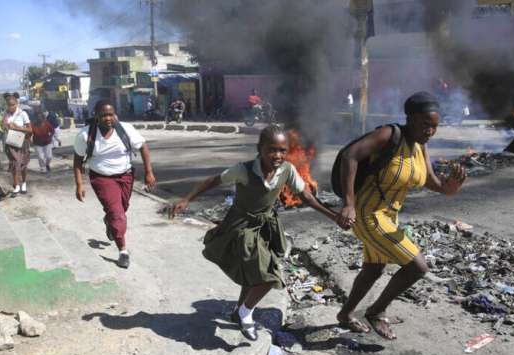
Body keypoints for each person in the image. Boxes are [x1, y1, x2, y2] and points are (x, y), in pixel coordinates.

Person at [169, 125, 345, 341]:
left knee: (254, 273)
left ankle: (238, 311)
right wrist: (187, 199)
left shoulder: (287, 170)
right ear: (259, 148)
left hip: (265, 226)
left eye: (282, 150)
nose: (278, 155)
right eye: (272, 150)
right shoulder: (244, 170)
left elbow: (307, 196)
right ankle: (245, 313)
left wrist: (334, 216)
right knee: (269, 277)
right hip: (241, 226)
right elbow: (213, 181)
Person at [336, 91, 467, 339]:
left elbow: (432, 181)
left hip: (389, 216)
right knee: (417, 267)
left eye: (435, 127)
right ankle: (376, 311)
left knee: (374, 267)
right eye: (426, 124)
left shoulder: (420, 147)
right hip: (367, 213)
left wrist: (450, 187)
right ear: (411, 118)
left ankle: (345, 314)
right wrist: (348, 203)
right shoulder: (389, 135)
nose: (430, 131)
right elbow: (349, 156)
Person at [73, 99, 156, 268]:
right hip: (102, 178)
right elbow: (77, 161)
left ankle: (110, 222)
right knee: (118, 214)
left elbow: (143, 147)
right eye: (104, 115)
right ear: (96, 116)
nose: (108, 118)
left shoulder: (125, 129)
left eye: (111, 114)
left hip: (126, 176)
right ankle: (123, 251)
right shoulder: (85, 134)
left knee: (121, 209)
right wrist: (79, 184)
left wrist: (149, 172)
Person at [2, 92, 33, 197]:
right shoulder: (6, 114)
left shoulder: (23, 114)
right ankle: (16, 186)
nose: (11, 107)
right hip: (11, 143)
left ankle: (23, 183)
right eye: (9, 105)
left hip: (22, 142)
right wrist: (5, 123)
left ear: (17, 104)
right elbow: (3, 127)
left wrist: (17, 128)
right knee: (15, 165)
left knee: (23, 165)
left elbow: (30, 129)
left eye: (13, 105)